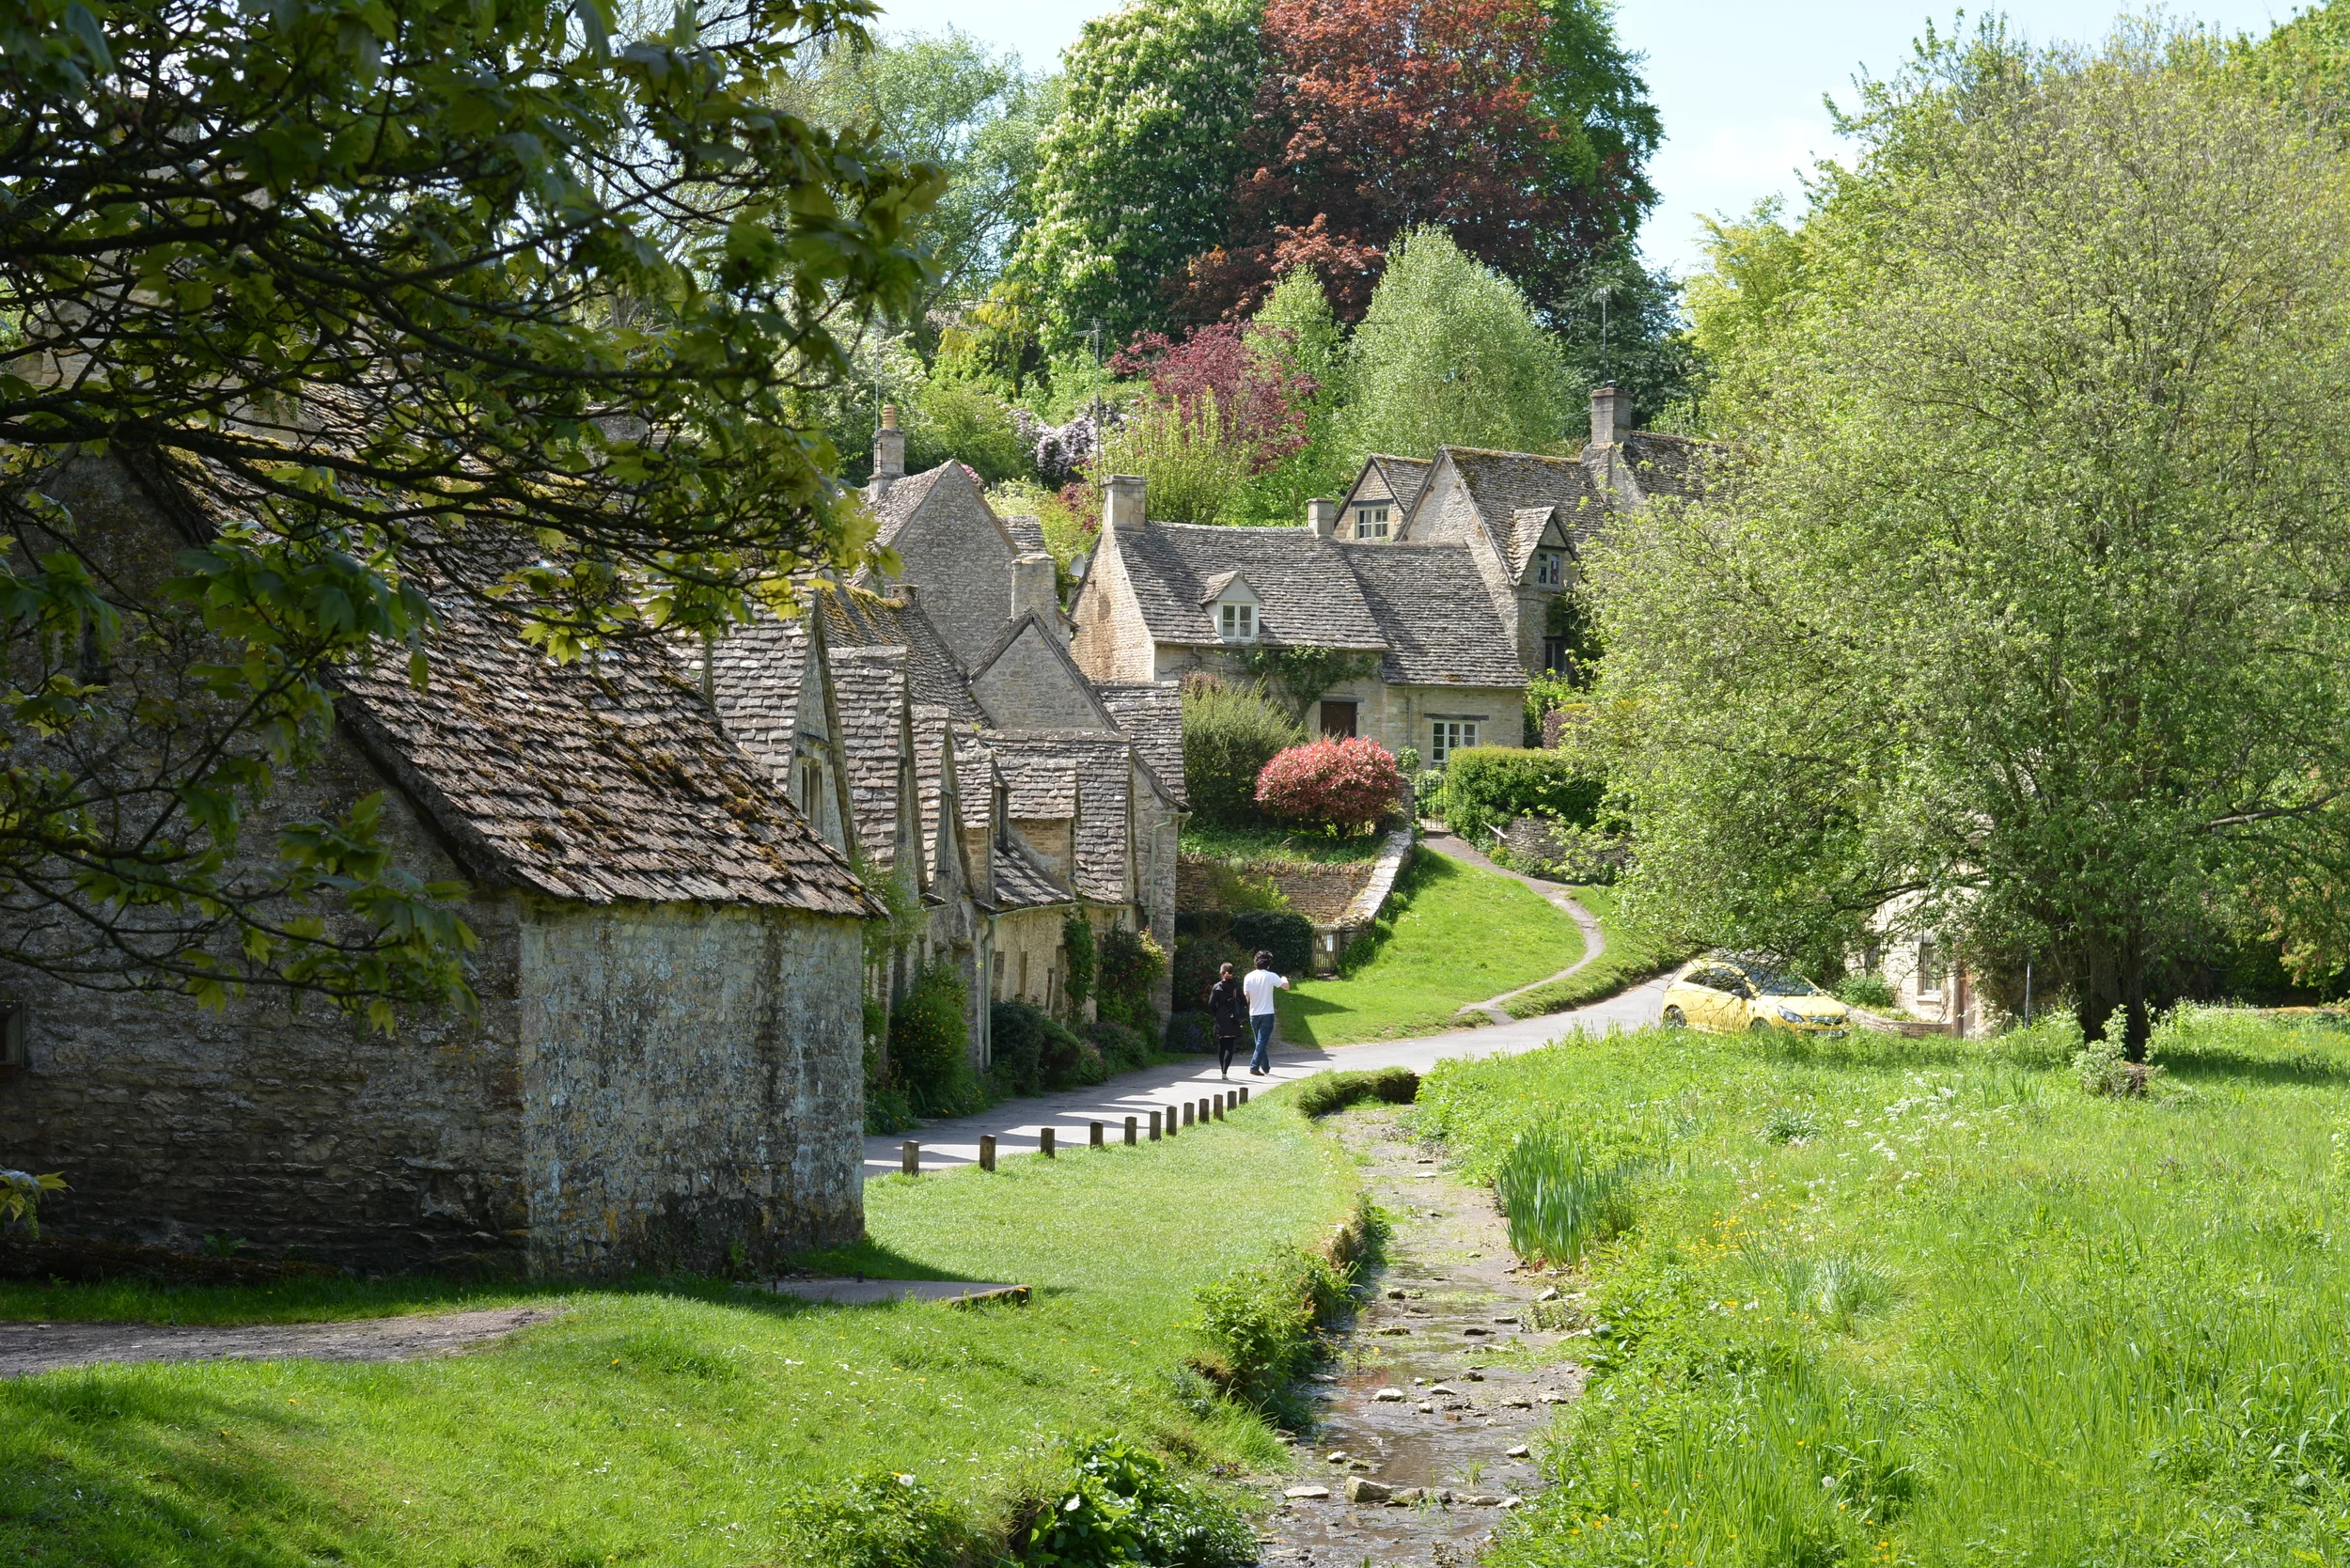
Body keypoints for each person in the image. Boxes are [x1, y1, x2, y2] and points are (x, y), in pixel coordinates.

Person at [1242, 949, 1289, 1076]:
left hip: (1253, 1014)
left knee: (1259, 1041)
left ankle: (1266, 1067)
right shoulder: (1271, 975)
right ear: (1268, 964)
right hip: (1267, 1014)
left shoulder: (1248, 977)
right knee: (1261, 1042)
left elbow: (1246, 996)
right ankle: (1254, 1066)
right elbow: (1286, 986)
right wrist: (1284, 978)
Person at [1207, 961, 1247, 1079]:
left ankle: (1222, 1070)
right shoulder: (1236, 986)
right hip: (1233, 1017)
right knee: (1230, 1046)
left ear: (1221, 973)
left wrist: (1217, 1013)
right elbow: (1244, 1002)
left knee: (1221, 1045)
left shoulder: (1217, 987)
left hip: (1221, 1017)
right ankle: (1225, 1071)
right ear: (1232, 973)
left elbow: (1211, 1004)